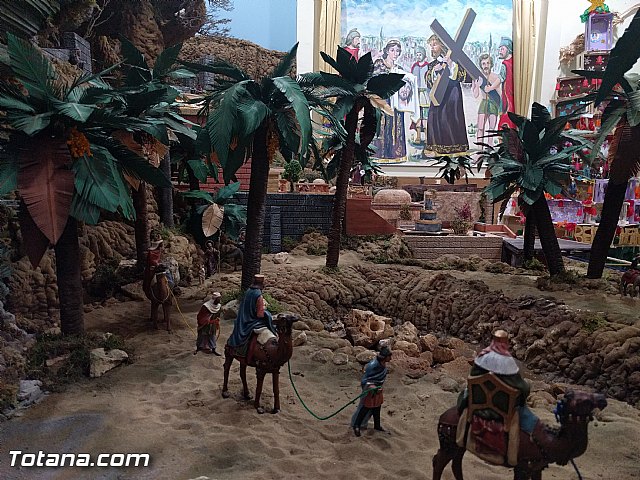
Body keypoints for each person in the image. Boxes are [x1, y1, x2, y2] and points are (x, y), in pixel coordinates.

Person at [457, 330, 538, 434]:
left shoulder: (482, 356)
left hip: (478, 403)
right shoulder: (508, 362)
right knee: (524, 411)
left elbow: (472, 377)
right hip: (501, 409)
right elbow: (523, 388)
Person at [371, 39, 419, 163]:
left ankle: (395, 154)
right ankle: (380, 154)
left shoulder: (399, 69)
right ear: (387, 51)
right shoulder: (379, 64)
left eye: (397, 51)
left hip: (396, 103)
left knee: (396, 127)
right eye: (392, 50)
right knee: (382, 127)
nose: (395, 53)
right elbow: (373, 81)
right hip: (382, 101)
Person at [423, 34, 469, 157]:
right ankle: (436, 148)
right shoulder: (432, 65)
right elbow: (427, 81)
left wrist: (451, 66)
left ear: (442, 45)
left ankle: (455, 149)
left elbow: (466, 76)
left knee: (450, 120)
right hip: (437, 97)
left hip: (452, 96)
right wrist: (434, 71)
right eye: (431, 46)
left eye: (434, 45)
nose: (432, 48)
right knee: (436, 120)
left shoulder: (456, 61)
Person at [226, 274, 276, 355]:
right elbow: (260, 315)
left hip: (243, 319)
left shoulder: (248, 291)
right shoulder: (258, 295)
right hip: (252, 321)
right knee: (272, 327)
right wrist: (267, 313)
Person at [351, 345, 392, 437]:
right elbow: (365, 380)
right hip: (370, 389)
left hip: (378, 389)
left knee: (377, 407)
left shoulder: (383, 364)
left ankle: (377, 425)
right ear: (385, 357)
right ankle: (357, 425)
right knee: (366, 407)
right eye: (389, 356)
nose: (391, 358)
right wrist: (371, 386)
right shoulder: (373, 365)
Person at [472, 53, 502, 143]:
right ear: (481, 65)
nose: (486, 66)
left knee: (491, 129)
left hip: (493, 104)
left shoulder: (495, 77)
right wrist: (477, 85)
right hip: (484, 103)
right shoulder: (477, 77)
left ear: (491, 64)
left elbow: (500, 94)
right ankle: (479, 148)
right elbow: (475, 95)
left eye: (488, 63)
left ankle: (490, 147)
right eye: (483, 63)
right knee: (480, 128)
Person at [410, 46, 430, 142]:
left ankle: (426, 137)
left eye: (420, 54)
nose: (418, 56)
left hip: (426, 94)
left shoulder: (428, 66)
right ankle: (418, 136)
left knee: (425, 116)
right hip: (416, 94)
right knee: (417, 116)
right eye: (417, 55)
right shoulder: (414, 66)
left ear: (424, 55)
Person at [497, 37, 516, 129]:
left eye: (502, 49)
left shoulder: (505, 64)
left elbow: (500, 78)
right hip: (511, 95)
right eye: (500, 49)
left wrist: (490, 87)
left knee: (505, 120)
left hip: (507, 96)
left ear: (508, 50)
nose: (500, 51)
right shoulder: (514, 62)